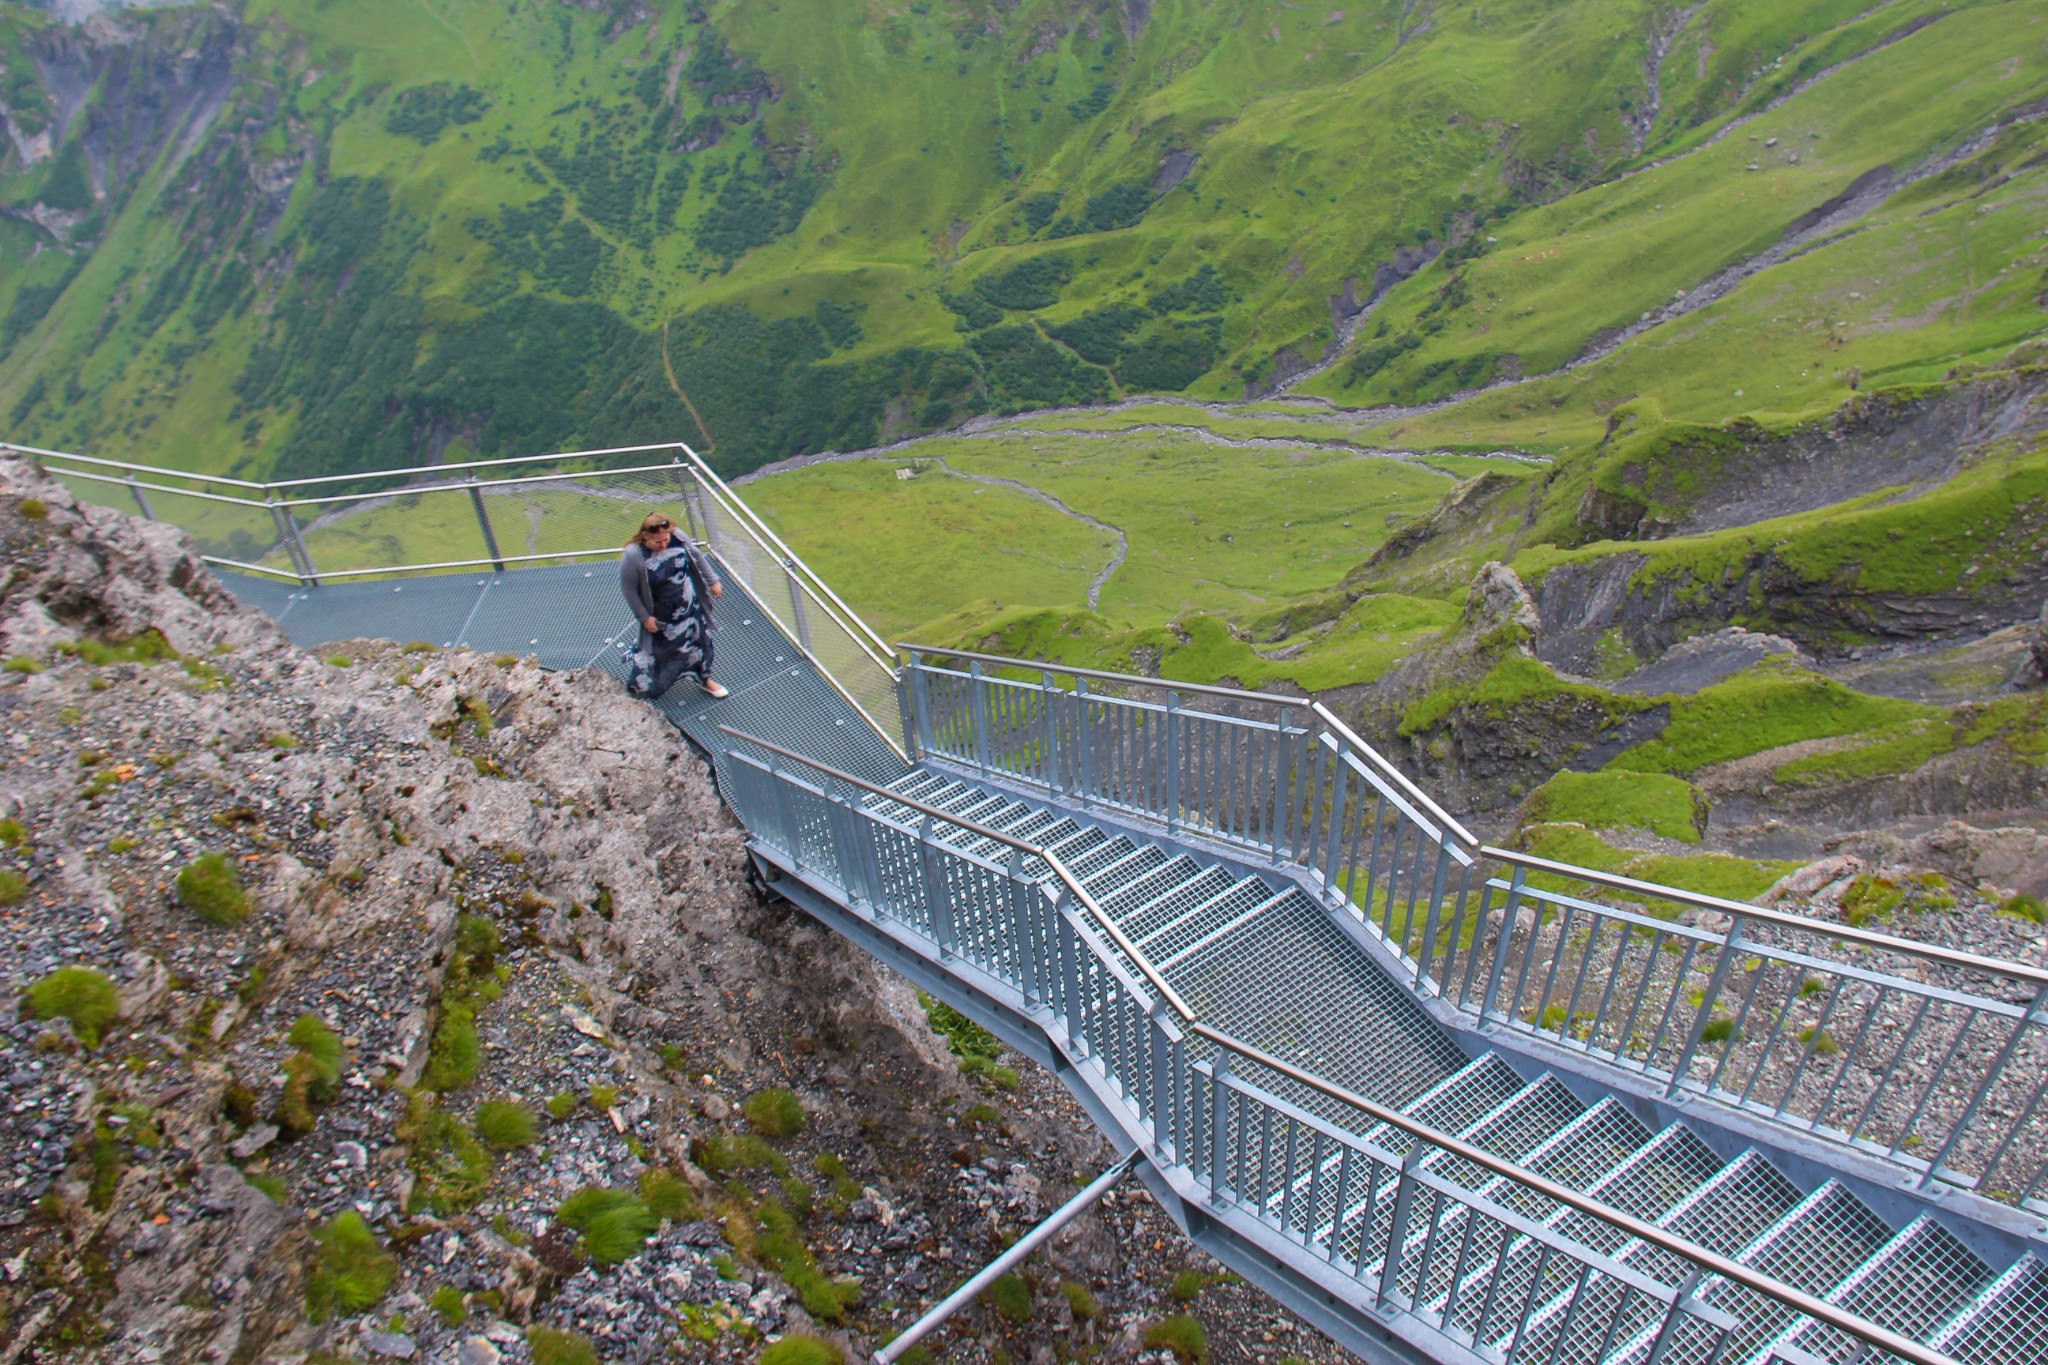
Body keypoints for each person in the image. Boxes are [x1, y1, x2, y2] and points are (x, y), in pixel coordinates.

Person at [619, 511, 728, 700]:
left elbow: (696, 556)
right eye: (657, 542)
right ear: (645, 537)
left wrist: (712, 581)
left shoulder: (676, 537)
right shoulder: (633, 555)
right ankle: (641, 688)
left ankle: (703, 679)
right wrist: (644, 618)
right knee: (657, 653)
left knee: (699, 643)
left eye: (665, 539)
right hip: (661, 617)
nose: (663, 545)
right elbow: (629, 590)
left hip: (689, 610)